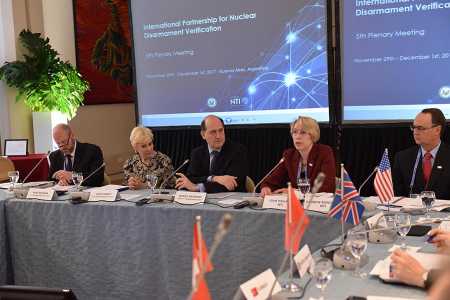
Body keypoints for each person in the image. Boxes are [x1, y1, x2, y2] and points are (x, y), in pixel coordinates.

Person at [260, 116, 335, 197]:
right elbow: (271, 181)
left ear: (313, 135)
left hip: (319, 205)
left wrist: (296, 193)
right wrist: (266, 188)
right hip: (296, 205)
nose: (297, 136)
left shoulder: (324, 152)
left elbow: (327, 188)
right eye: (295, 132)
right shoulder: (289, 155)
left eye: (303, 132)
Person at [175, 115, 248, 193]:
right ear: (203, 135)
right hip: (201, 202)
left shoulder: (238, 151)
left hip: (231, 200)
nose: (218, 136)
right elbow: (191, 178)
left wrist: (198, 187)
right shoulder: (197, 153)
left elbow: (231, 184)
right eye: (213, 132)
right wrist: (214, 178)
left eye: (221, 130)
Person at [392, 108, 450, 200]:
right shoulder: (402, 158)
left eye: (420, 128)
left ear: (437, 130)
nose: (415, 132)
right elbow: (398, 196)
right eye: (414, 127)